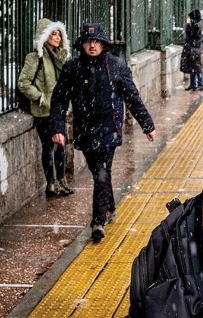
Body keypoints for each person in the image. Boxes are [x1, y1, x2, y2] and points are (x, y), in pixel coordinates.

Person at [50, 23, 156, 242]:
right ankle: (109, 206)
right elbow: (59, 99)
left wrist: (147, 124)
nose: (92, 46)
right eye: (88, 42)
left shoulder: (116, 65)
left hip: (110, 130)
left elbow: (132, 97)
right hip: (86, 132)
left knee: (101, 172)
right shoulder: (72, 68)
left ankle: (97, 221)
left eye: (96, 42)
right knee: (98, 171)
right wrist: (58, 127)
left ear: (104, 44)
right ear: (82, 44)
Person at [18, 19, 73, 197]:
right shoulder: (35, 58)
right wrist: (40, 97)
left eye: (59, 34)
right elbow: (23, 82)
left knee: (60, 146)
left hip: (58, 110)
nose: (57, 38)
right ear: (44, 36)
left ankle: (61, 181)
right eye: (53, 34)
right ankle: (51, 183)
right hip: (43, 111)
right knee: (50, 147)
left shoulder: (60, 56)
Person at [180, 10, 203, 91]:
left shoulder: (196, 26)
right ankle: (193, 84)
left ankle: (200, 84)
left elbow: (193, 35)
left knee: (197, 68)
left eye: (190, 17)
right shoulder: (193, 25)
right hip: (191, 49)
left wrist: (189, 25)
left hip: (194, 49)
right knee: (192, 67)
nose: (188, 19)